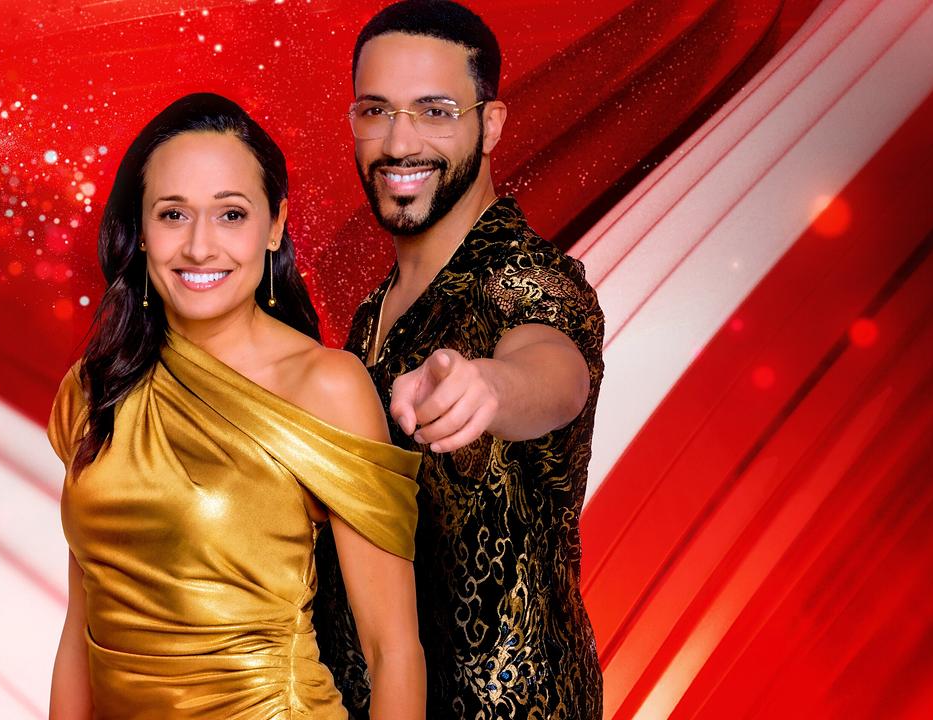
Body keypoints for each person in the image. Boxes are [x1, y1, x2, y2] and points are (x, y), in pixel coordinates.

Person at [46, 93, 426, 720]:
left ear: (274, 226)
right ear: (139, 230)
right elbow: (78, 632)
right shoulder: (96, 385)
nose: (199, 247)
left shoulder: (325, 386)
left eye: (230, 214)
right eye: (173, 214)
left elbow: (393, 651)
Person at [313, 2, 605, 718]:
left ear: (491, 123)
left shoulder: (525, 278)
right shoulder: (372, 311)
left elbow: (554, 369)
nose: (398, 141)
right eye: (375, 111)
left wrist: (489, 388)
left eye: (435, 111)